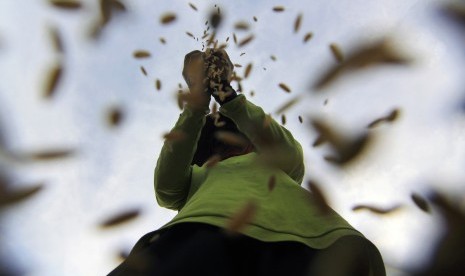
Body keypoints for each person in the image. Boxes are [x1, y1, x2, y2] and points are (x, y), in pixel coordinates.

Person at [107, 49, 386, 276]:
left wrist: (225, 93)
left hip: (314, 244)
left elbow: (281, 145)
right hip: (197, 237)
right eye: (216, 141)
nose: (227, 144)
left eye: (235, 135)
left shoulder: (277, 159)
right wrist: (198, 99)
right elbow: (166, 183)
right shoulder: (196, 176)